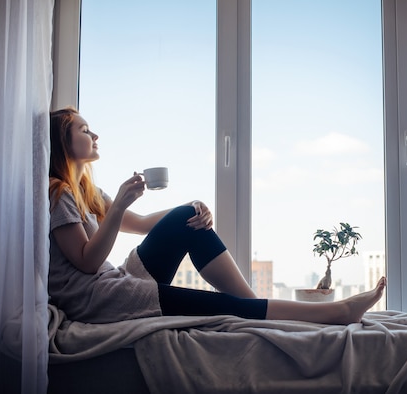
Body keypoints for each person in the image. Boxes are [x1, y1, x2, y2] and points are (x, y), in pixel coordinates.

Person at [48, 106, 386, 325]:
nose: (95, 135)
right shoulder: (59, 192)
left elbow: (137, 225)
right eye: (84, 130)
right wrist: (119, 205)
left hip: (117, 281)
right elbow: (87, 263)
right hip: (100, 301)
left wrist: (193, 207)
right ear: (64, 143)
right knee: (225, 306)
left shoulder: (89, 193)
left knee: (187, 215)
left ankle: (261, 308)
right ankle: (337, 312)